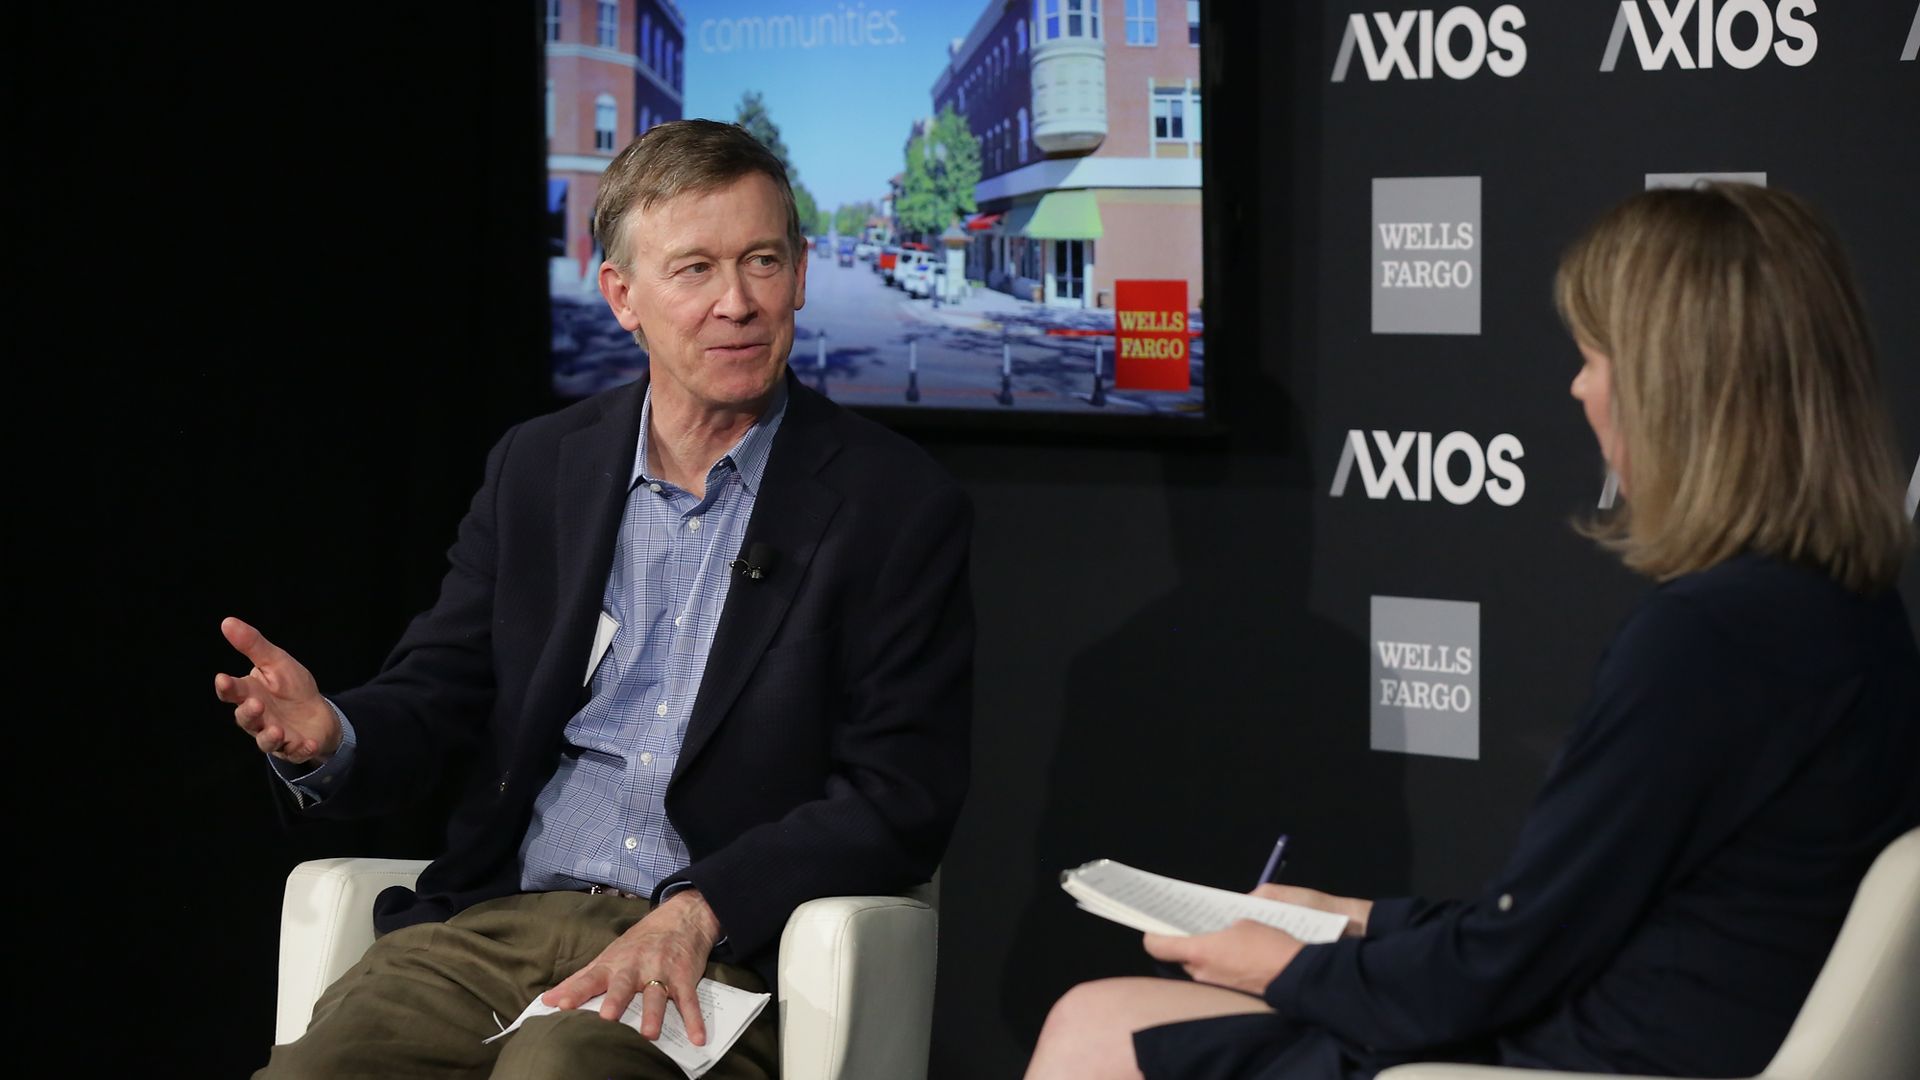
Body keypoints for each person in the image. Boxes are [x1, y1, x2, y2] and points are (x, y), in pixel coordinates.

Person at [1025, 181, 1920, 1080]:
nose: (1578, 388)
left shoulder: (1705, 642)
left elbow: (1503, 966)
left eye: (1595, 357)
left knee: (1097, 1027)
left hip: (1590, 1061)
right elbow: (1552, 923)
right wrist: (1355, 918)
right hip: (1664, 1036)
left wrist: (1288, 965)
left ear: (1676, 388)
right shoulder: (1846, 611)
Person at [216, 119, 974, 1079]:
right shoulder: (540, 467)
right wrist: (333, 735)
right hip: (495, 926)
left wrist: (700, 910)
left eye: (763, 262)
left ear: (802, 273)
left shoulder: (893, 507)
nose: (737, 302)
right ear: (623, 296)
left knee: (560, 1070)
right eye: (694, 270)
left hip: (718, 951)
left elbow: (899, 797)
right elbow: (442, 687)